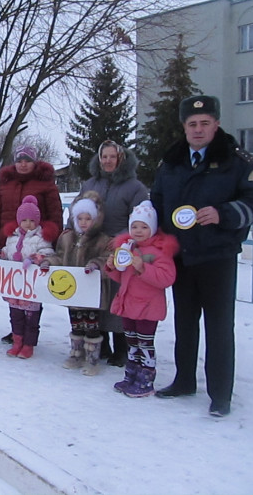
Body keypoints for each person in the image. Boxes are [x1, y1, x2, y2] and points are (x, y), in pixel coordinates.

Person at [151, 95, 253, 416]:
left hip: (217, 256)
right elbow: (157, 202)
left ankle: (220, 394)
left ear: (216, 124)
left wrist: (224, 214)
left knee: (219, 326)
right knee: (184, 322)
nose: (199, 129)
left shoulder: (237, 160)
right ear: (184, 127)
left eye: (205, 123)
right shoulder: (172, 162)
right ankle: (184, 380)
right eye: (192, 124)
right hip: (181, 256)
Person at [80, 140, 148, 366]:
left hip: (121, 249)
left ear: (121, 159)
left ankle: (122, 347)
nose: (108, 161)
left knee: (118, 298)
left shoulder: (135, 187)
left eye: (112, 157)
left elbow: (139, 219)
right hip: (93, 246)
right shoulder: (90, 184)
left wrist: (121, 238)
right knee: (96, 297)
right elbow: (80, 211)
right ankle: (101, 343)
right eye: (104, 157)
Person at [0, 144, 63, 344]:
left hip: (36, 245)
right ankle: (17, 330)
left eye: (27, 161)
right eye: (19, 160)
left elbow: (55, 215)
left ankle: (31, 333)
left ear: (34, 162)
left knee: (33, 290)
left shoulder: (45, 184)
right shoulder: (5, 184)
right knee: (13, 289)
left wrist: (52, 239)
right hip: (10, 243)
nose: (23, 164)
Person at [105, 201, 178, 397]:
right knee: (132, 342)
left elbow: (166, 278)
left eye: (144, 227)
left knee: (145, 343)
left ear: (152, 229)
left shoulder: (158, 252)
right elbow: (122, 276)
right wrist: (112, 267)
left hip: (147, 307)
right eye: (134, 226)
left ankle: (146, 380)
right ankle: (131, 374)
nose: (138, 231)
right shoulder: (127, 248)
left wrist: (143, 268)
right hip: (128, 304)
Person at [41, 191, 112, 375]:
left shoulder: (102, 240)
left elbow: (107, 260)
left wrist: (95, 264)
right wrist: (49, 263)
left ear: (95, 219)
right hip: (72, 292)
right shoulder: (67, 238)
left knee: (92, 324)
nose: (83, 222)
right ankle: (76, 353)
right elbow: (59, 257)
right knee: (76, 323)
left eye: (88, 218)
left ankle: (92, 358)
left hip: (90, 293)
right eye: (80, 218)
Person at [0, 195, 54, 359]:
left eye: (32, 220)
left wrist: (33, 259)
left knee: (31, 319)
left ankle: (28, 345)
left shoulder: (41, 238)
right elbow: (6, 253)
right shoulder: (12, 237)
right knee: (16, 316)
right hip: (15, 286)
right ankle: (17, 341)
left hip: (31, 288)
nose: (28, 224)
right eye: (24, 220)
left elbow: (48, 254)